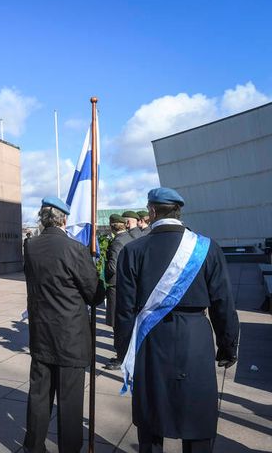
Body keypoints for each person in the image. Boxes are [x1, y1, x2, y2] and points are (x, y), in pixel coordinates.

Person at [116, 188, 239, 453]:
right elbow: (223, 303)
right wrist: (228, 347)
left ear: (151, 212)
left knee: (151, 421)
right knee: (196, 420)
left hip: (151, 340)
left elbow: (124, 311)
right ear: (178, 211)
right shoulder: (208, 248)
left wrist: (124, 351)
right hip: (195, 339)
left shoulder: (132, 250)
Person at [22, 197, 102, 453]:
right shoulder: (74, 249)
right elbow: (95, 294)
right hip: (70, 337)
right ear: (64, 219)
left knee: (39, 396)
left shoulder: (30, 246)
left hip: (41, 334)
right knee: (69, 402)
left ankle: (33, 447)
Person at [102, 214, 132, 371]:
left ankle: (121, 357)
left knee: (117, 324)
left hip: (116, 287)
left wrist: (103, 271)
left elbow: (112, 268)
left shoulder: (117, 242)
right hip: (128, 287)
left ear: (112, 226)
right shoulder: (130, 237)